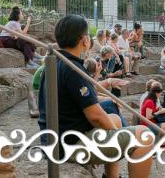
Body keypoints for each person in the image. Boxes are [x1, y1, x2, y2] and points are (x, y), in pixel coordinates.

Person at [37, 15, 152, 178]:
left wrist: (114, 131)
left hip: (55, 139)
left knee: (115, 119)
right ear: (84, 40)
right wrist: (115, 135)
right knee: (143, 135)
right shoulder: (73, 68)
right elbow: (95, 117)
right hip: (69, 145)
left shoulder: (55, 62)